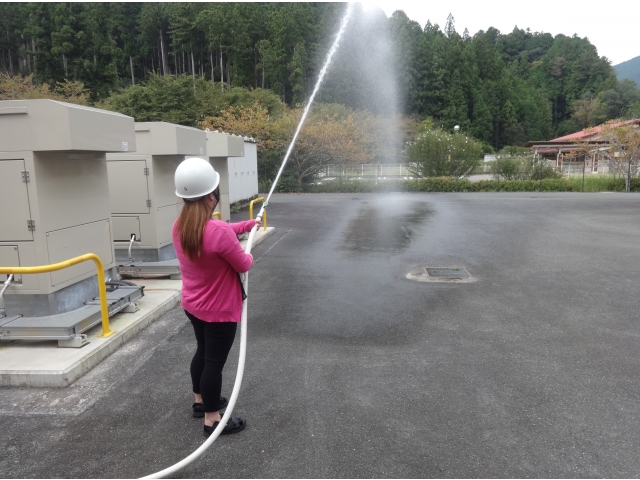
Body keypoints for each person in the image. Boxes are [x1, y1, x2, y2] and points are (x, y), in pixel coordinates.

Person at [172, 157, 260, 437]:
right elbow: (243, 264)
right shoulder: (216, 231)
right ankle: (212, 419)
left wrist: (248, 225)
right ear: (212, 195)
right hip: (219, 311)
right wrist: (248, 253)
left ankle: (200, 402)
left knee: (203, 351)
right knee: (214, 363)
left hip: (193, 305)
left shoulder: (180, 225)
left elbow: (217, 233)